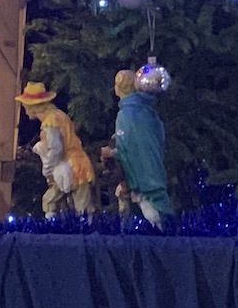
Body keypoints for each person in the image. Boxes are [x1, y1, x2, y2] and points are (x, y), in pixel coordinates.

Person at [17, 81, 95, 217]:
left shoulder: (50, 122)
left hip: (72, 166)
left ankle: (67, 226)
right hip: (72, 165)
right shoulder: (57, 115)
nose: (25, 111)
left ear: (33, 107)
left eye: (25, 107)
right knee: (60, 202)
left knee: (76, 205)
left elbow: (56, 149)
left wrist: (47, 169)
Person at [109, 68, 175, 225]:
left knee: (151, 212)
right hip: (152, 167)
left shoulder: (126, 115)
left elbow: (127, 146)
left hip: (142, 176)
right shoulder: (146, 110)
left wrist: (112, 153)